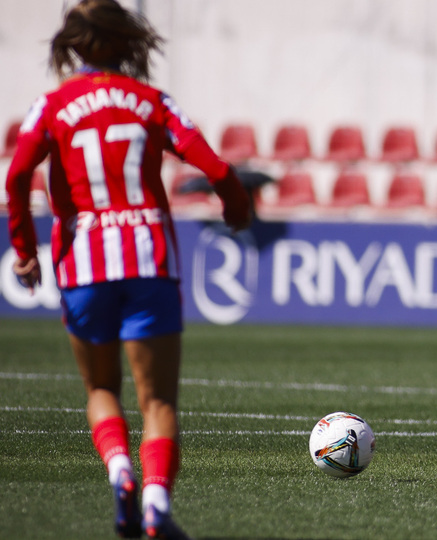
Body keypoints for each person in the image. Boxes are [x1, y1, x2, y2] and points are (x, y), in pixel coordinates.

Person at [5, 1, 251, 537]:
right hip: (148, 260)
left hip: (83, 263)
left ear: (72, 45)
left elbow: (18, 175)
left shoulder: (49, 106)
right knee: (158, 400)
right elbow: (216, 167)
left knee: (101, 391)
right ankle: (157, 504)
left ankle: (121, 473)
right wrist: (238, 211)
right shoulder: (152, 101)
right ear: (130, 41)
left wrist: (23, 248)